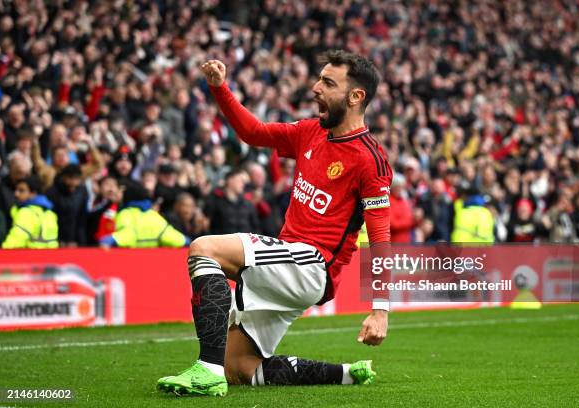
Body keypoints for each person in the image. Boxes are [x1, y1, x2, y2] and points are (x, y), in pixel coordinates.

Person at [157, 50, 392, 396]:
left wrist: (381, 311)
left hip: (313, 265)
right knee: (238, 367)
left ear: (356, 96)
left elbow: (381, 236)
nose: (315, 88)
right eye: (319, 78)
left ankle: (206, 371)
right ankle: (344, 373)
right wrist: (220, 88)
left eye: (328, 83)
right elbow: (253, 132)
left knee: (203, 249)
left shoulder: (370, 160)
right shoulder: (310, 131)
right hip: (290, 260)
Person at [99, 183, 189, 248]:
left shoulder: (125, 214)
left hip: (130, 263)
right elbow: (172, 237)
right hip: (153, 266)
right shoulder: (155, 216)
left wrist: (110, 240)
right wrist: (187, 241)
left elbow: (128, 236)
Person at [1, 176, 58, 248]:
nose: (16, 194)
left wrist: (2, 252)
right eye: (16, 190)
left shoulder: (26, 213)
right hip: (50, 256)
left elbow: (16, 239)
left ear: (33, 193)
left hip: (28, 256)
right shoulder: (50, 213)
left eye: (21, 190)